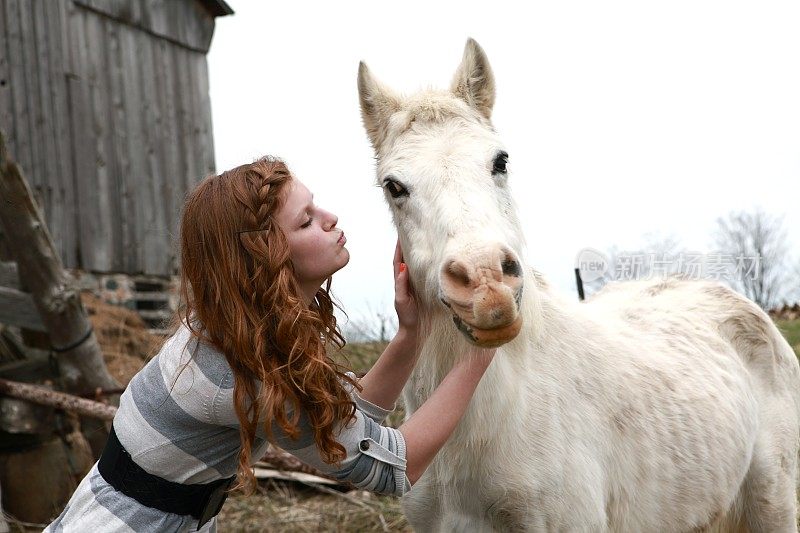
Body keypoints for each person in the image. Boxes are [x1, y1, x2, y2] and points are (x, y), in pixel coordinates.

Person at [45, 157, 495, 532]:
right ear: (266, 259)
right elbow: (392, 467)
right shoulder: (240, 374)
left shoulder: (233, 331)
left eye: (314, 207)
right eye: (305, 221)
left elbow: (342, 423)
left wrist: (409, 333)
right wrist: (478, 354)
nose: (330, 218)